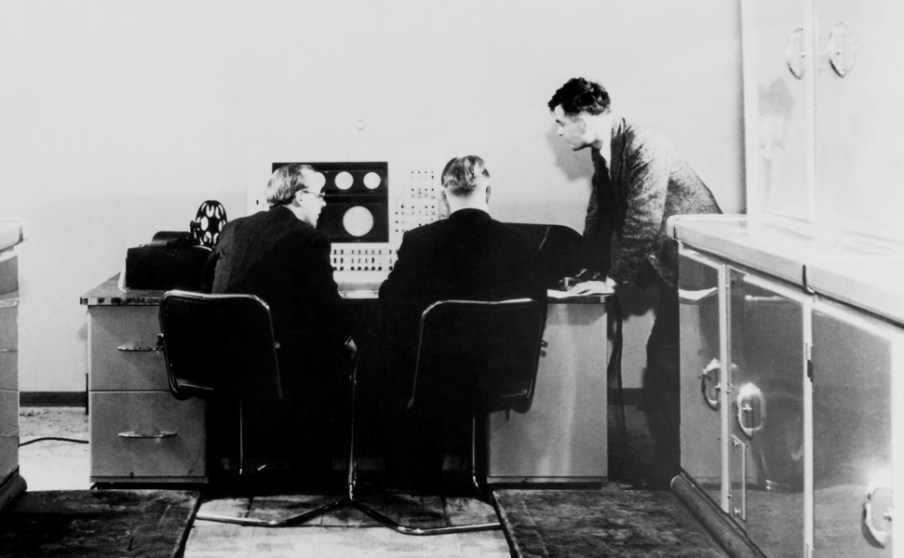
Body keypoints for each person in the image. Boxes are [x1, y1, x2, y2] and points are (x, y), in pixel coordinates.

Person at [547, 77, 722, 485]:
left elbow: (644, 216)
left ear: (583, 118)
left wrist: (612, 281)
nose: (558, 132)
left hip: (701, 269)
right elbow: (601, 215)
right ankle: (674, 465)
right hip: (672, 268)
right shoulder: (605, 152)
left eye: (561, 122)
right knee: (667, 362)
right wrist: (584, 273)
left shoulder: (644, 143)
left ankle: (673, 470)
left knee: (666, 361)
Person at [372, 155, 546, 489]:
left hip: (435, 375)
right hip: (502, 372)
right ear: (488, 192)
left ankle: (411, 473)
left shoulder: (419, 241)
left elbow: (392, 303)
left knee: (388, 357)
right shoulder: (522, 244)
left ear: (443, 195)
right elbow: (537, 310)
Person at [206, 163, 353, 480]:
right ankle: (316, 473)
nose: (323, 204)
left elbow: (207, 284)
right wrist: (351, 338)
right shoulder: (308, 238)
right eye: (319, 196)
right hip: (273, 363)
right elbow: (328, 305)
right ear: (299, 197)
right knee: (330, 356)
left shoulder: (233, 228)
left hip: (219, 357)